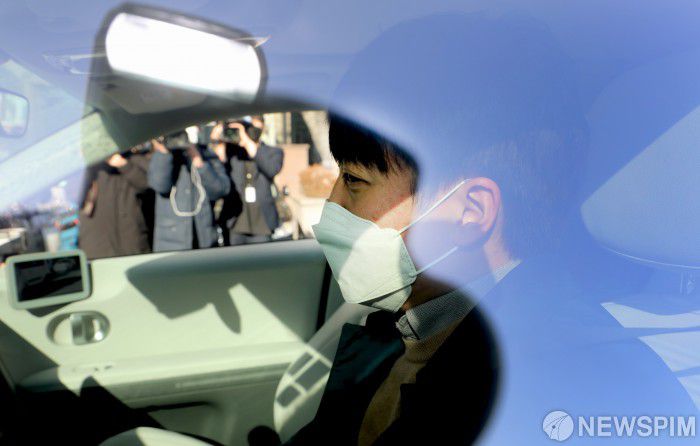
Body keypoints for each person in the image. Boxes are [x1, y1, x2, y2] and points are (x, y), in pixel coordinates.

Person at [282, 13, 698, 446]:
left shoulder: (570, 395)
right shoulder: (414, 328)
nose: (332, 205)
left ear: (471, 211)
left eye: (354, 181)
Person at [148, 132, 230, 252]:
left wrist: (199, 162)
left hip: (204, 239)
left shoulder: (206, 154)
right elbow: (160, 186)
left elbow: (221, 190)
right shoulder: (161, 155)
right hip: (171, 242)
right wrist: (165, 152)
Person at [211, 116, 283, 245]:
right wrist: (217, 140)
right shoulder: (232, 151)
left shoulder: (273, 152)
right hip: (235, 221)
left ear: (262, 127)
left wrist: (246, 141)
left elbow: (271, 169)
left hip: (262, 222)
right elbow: (218, 166)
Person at [78, 149, 151, 259]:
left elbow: (147, 184)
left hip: (130, 243)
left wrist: (123, 165)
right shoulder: (82, 166)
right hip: (98, 246)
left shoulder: (131, 158)